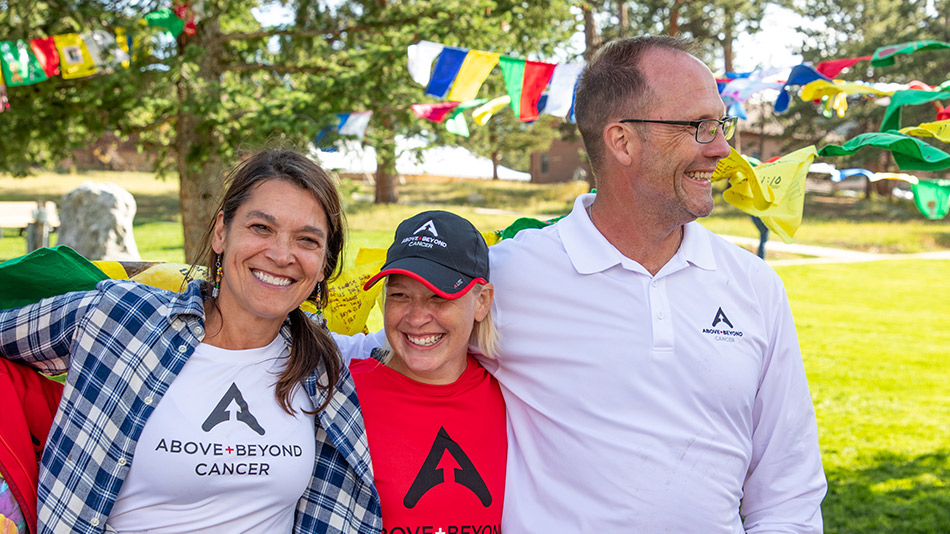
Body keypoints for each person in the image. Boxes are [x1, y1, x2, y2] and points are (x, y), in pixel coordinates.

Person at [480, 36, 827, 532]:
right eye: (699, 127)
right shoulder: (507, 276)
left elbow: (788, 491)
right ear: (621, 141)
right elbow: (387, 356)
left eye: (721, 125)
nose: (723, 149)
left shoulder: (754, 285)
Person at [0, 149, 381, 533]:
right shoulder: (120, 318)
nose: (281, 255)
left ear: (323, 264)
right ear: (221, 232)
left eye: (307, 240)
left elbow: (420, 341)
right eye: (261, 228)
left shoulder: (325, 365)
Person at [349, 210, 506, 533]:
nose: (417, 317)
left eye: (439, 297)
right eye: (400, 295)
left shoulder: (513, 400)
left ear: (482, 302)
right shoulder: (343, 396)